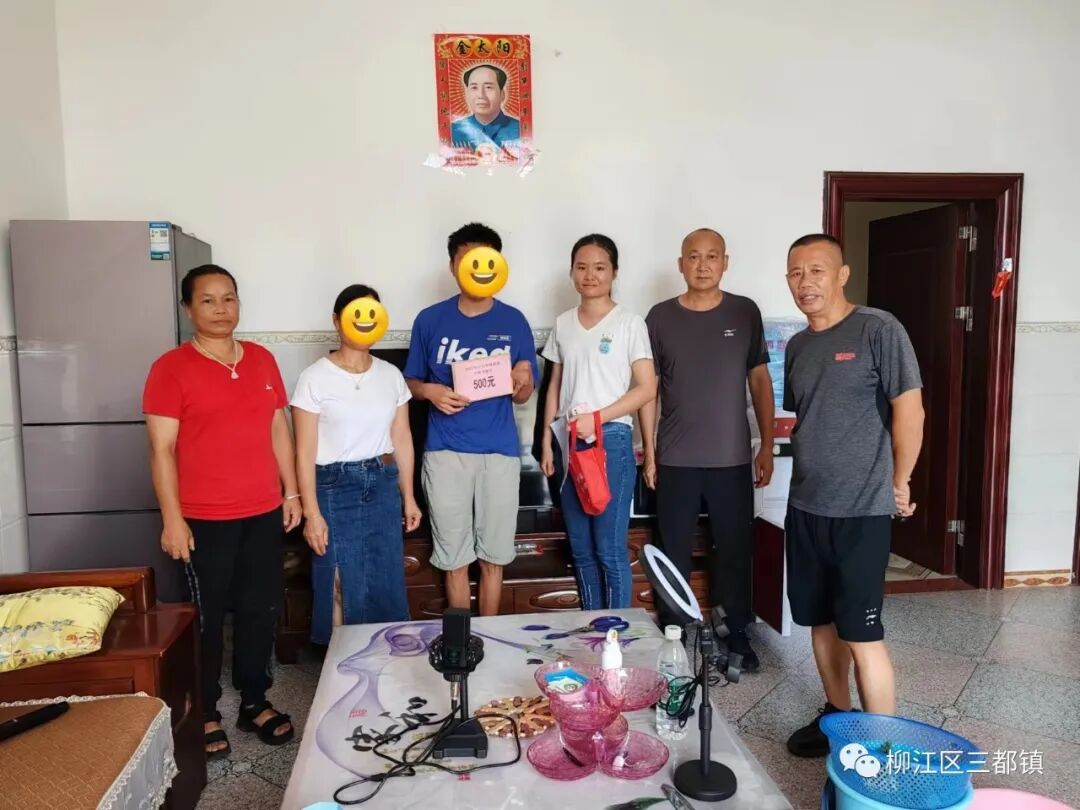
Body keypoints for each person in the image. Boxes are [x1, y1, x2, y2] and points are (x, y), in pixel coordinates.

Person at [143, 264, 300, 760]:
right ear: (188, 309)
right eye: (207, 300)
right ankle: (206, 709)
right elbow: (161, 449)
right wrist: (172, 519)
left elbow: (279, 429)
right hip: (202, 518)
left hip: (262, 510)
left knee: (260, 609)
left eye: (228, 298)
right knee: (207, 618)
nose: (220, 309)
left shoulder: (262, 359)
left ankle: (254, 700)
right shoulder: (171, 368)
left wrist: (291, 493)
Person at [781, 234, 924, 757]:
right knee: (819, 622)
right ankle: (837, 717)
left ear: (842, 275)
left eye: (816, 270)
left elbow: (910, 410)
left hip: (861, 510)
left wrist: (900, 481)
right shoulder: (798, 347)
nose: (805, 282)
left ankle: (884, 749)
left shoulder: (878, 329)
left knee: (862, 634)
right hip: (806, 506)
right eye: (795, 272)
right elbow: (807, 416)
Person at [640, 228, 774, 672]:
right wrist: (650, 452)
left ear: (725, 262)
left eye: (711, 256)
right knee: (672, 550)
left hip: (732, 458)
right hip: (675, 458)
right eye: (693, 257)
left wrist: (765, 445)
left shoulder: (744, 311)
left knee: (734, 549)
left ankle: (737, 632)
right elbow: (649, 389)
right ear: (680, 264)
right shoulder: (659, 317)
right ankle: (673, 633)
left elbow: (760, 380)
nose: (702, 265)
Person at [404, 222, 538, 616]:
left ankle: (489, 637)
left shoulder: (514, 321)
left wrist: (523, 379)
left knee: (494, 557)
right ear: (453, 266)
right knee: (454, 557)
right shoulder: (430, 320)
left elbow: (524, 394)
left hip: (499, 453)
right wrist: (431, 392)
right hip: (445, 453)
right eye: (467, 260)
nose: (477, 269)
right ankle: (462, 641)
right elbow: (410, 382)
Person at [291, 284, 422, 645]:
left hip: (382, 484)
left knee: (384, 578)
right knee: (337, 579)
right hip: (333, 487)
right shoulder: (314, 378)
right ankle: (343, 666)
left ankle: (382, 659)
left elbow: (402, 437)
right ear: (337, 320)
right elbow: (303, 450)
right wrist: (311, 514)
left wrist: (409, 496)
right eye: (356, 313)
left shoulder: (390, 375)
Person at [539, 234, 657, 610]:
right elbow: (555, 386)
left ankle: (618, 632)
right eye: (582, 267)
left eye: (600, 267)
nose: (590, 275)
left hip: (611, 440)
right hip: (569, 441)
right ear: (572, 272)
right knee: (582, 549)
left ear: (614, 273)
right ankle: (591, 627)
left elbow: (647, 387)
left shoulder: (630, 323)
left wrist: (597, 418)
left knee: (609, 549)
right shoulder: (563, 323)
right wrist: (546, 441)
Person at [450, 64, 521, 151]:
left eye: (488, 87)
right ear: (467, 94)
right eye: (474, 87)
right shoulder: (453, 131)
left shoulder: (520, 130)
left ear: (502, 94)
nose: (481, 95)